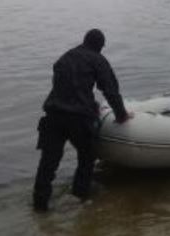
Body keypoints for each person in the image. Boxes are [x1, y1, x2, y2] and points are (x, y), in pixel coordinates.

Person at [33, 28, 132, 212]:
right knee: (87, 157)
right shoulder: (98, 60)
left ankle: (39, 206)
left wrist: (89, 102)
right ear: (101, 46)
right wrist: (121, 115)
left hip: (53, 115)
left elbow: (67, 87)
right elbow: (110, 90)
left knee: (48, 163)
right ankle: (80, 199)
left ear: (84, 40)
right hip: (78, 118)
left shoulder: (64, 58)